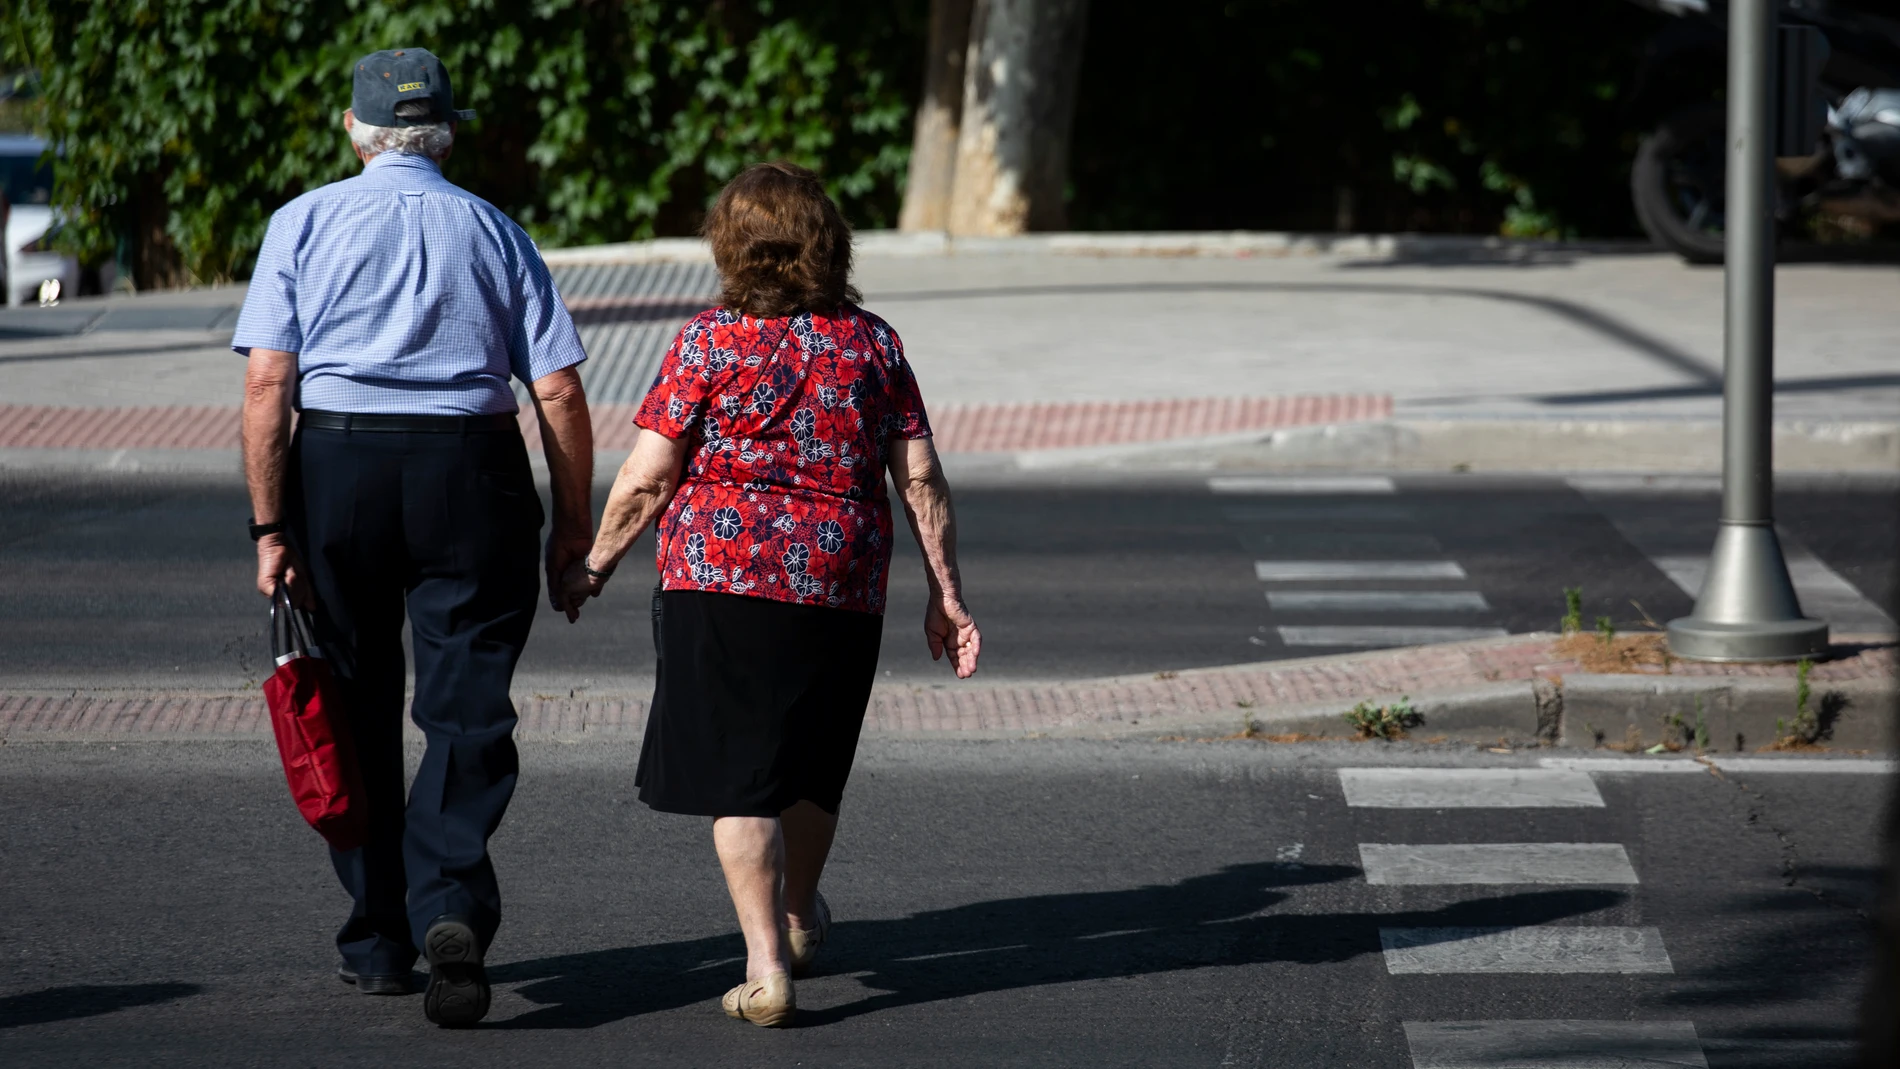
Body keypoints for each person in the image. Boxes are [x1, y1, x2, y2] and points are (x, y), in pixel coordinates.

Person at [559, 161, 980, 1028]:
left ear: (730, 246)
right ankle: (797, 918)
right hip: (841, 580)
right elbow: (923, 477)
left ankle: (764, 967)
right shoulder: (873, 343)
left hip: (722, 575)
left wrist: (593, 562)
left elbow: (647, 475)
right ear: (829, 242)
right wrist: (949, 596)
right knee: (813, 766)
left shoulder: (708, 341)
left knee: (741, 775)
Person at [234, 48, 595, 1028]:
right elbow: (556, 389)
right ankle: (451, 906)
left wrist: (272, 526)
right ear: (447, 132)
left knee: (349, 704)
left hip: (337, 470)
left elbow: (269, 384)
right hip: (470, 472)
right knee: (465, 706)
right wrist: (573, 529)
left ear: (352, 130)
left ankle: (378, 937)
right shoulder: (495, 229)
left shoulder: (301, 223)